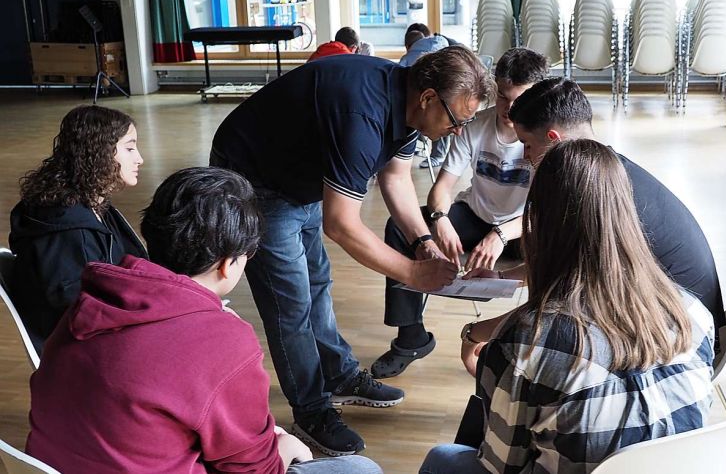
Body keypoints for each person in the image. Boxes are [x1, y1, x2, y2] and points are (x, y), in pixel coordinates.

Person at [210, 46, 493, 456]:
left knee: (318, 282)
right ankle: (310, 410)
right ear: (429, 97)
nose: (459, 132)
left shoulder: (412, 105)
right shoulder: (363, 117)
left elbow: (395, 178)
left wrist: (423, 244)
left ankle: (338, 374)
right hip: (255, 179)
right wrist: (413, 275)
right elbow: (341, 224)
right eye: (457, 121)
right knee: (290, 303)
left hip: (302, 171)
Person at [25, 167, 382, 474]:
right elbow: (251, 469)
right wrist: (284, 448)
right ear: (229, 264)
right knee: (361, 468)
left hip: (53, 464)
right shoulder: (224, 342)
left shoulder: (94, 294)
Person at [420, 140, 715, 474]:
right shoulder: (691, 311)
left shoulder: (526, 348)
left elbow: (502, 467)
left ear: (540, 225)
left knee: (442, 458)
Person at [459, 77, 726, 375]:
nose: (526, 157)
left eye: (527, 145)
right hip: (681, 321)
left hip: (677, 344)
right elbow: (564, 266)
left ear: (554, 140)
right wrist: (500, 277)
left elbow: (553, 302)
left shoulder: (589, 193)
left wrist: (474, 332)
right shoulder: (609, 171)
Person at [372, 48, 549, 379]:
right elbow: (440, 190)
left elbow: (545, 211)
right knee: (400, 228)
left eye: (519, 99)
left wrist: (499, 235)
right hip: (476, 214)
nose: (509, 109)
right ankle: (411, 337)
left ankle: (532, 347)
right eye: (503, 97)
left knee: (558, 251)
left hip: (524, 227)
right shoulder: (474, 126)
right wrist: (440, 220)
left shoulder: (542, 137)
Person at [8, 105, 147, 353]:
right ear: (101, 152)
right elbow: (78, 309)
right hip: (84, 350)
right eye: (130, 148)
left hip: (104, 331)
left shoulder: (92, 205)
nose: (139, 158)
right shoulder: (68, 229)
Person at [400, 24, 453, 169]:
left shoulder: (407, 58)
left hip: (422, 106)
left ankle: (414, 147)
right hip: (448, 99)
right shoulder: (444, 47)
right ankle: (437, 154)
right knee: (445, 112)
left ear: (408, 45)